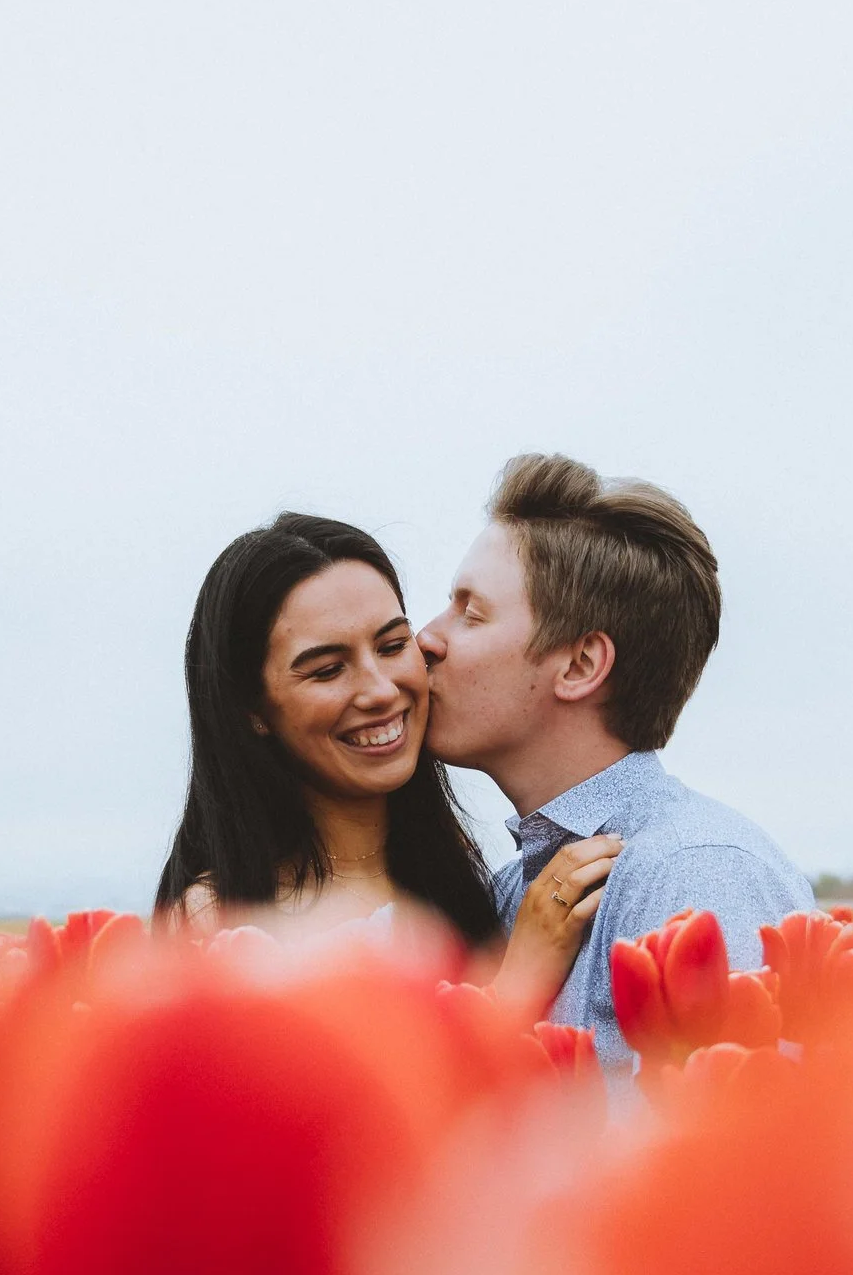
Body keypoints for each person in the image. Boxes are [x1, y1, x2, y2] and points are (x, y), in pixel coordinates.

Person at [417, 453, 810, 1099]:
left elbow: (731, 1163)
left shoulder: (693, 873)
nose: (427, 638)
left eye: (471, 612)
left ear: (579, 664)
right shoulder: (517, 887)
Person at [156, 512, 617, 1017]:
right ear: (253, 711)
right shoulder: (217, 921)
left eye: (393, 646)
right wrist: (516, 986)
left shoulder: (466, 880)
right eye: (328, 670)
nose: (380, 690)